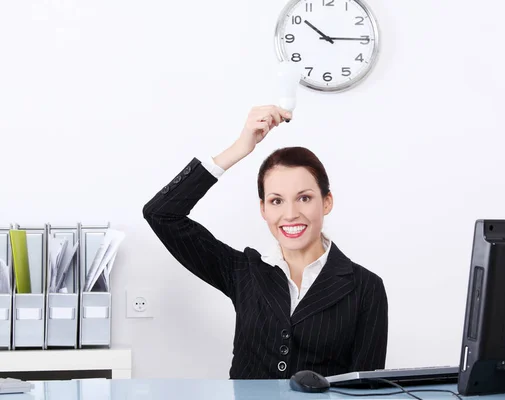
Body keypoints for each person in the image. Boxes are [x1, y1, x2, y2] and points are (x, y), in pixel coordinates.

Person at [142, 105, 388, 379]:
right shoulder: (242, 272)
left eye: (304, 198)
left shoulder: (367, 287)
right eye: (276, 201)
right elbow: (161, 214)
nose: (291, 213)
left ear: (326, 202)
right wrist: (239, 148)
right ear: (263, 209)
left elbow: (367, 391)